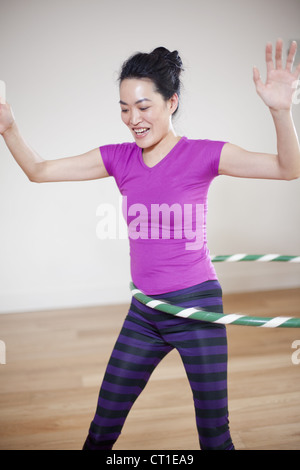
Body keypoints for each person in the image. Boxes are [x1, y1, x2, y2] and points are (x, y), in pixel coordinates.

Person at [0, 40, 299, 451]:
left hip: (197, 307)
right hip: (146, 312)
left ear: (171, 102)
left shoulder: (202, 155)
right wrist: (9, 128)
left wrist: (280, 111)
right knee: (102, 426)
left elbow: (288, 168)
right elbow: (39, 170)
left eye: (143, 107)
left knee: (214, 436)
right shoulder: (119, 159)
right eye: (124, 108)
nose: (132, 119)